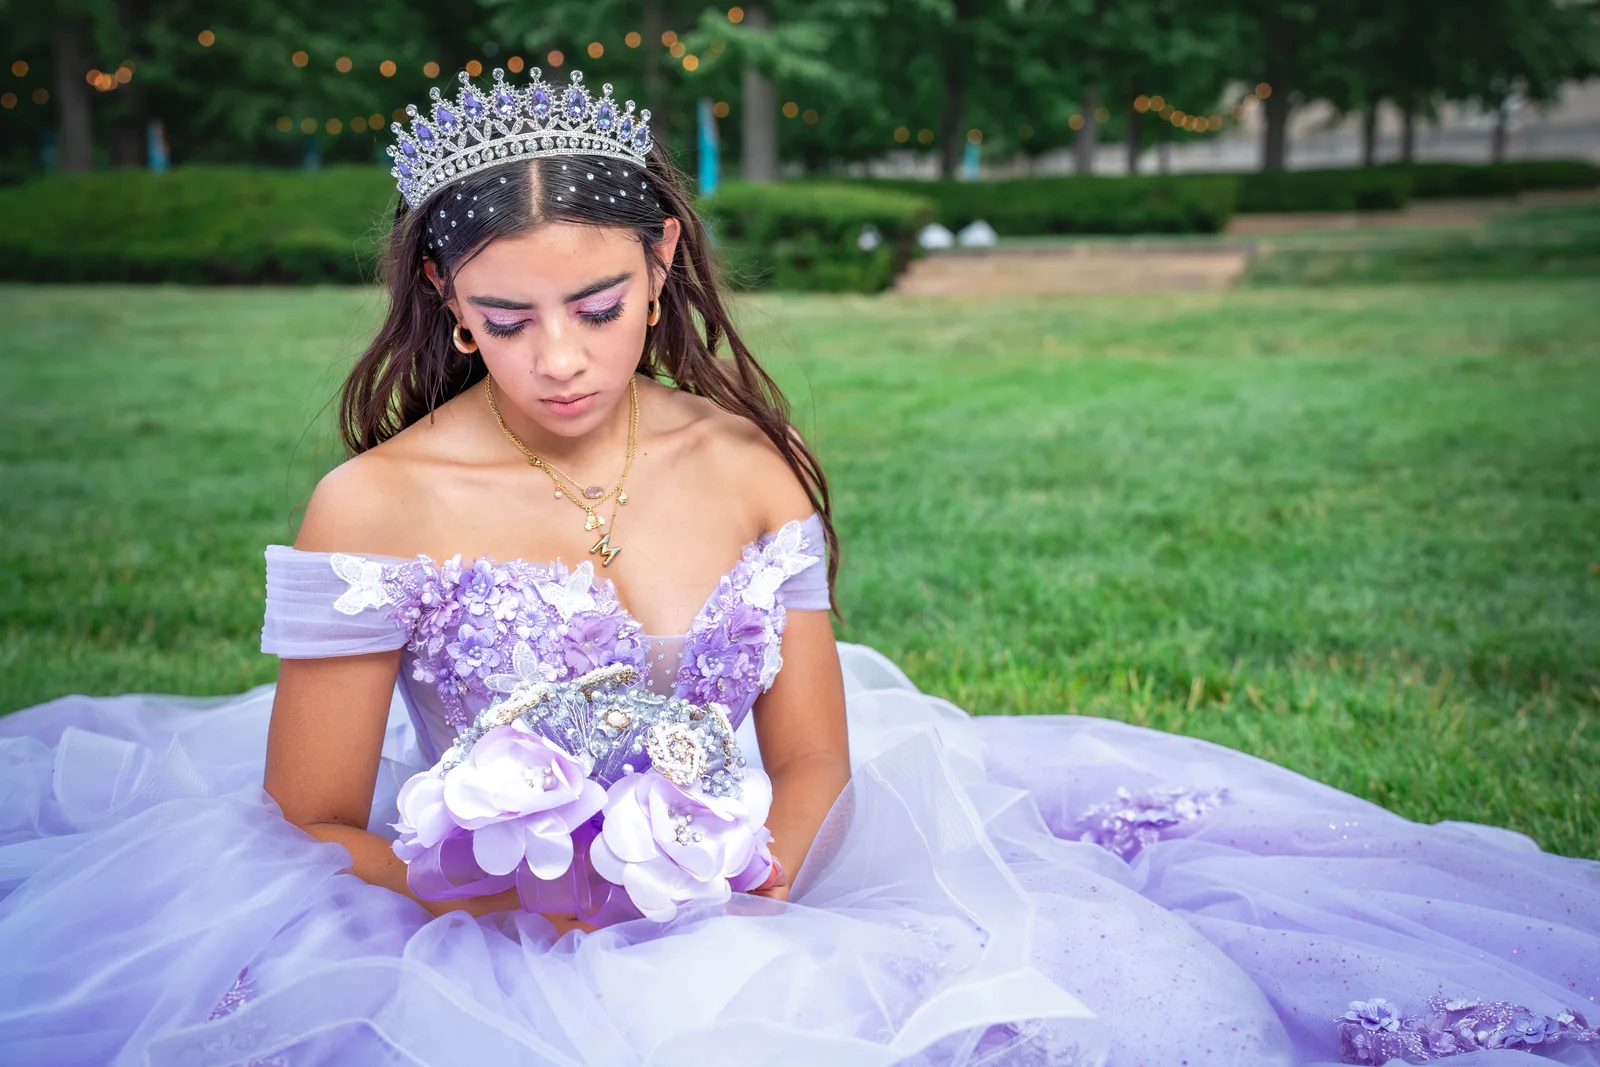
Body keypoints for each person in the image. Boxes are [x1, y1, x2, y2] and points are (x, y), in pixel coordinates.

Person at [0, 68, 1596, 1067]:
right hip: (472, 919)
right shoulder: (375, 501)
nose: (558, 359)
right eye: (503, 318)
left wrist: (747, 867)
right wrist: (517, 880)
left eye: (600, 305)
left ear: (666, 262)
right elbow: (315, 822)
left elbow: (815, 761)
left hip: (756, 880)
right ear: (440, 291)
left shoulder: (744, 463)